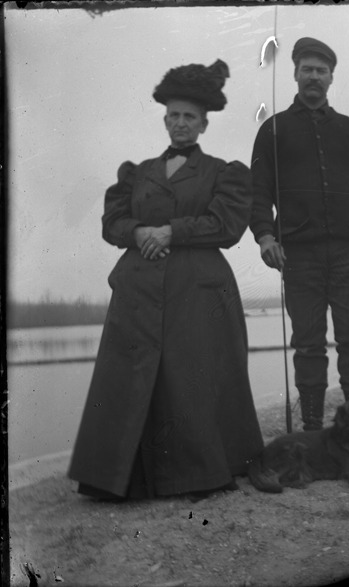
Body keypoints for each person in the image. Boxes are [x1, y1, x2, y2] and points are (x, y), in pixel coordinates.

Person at [68, 59, 264, 500]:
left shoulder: (224, 172)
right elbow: (112, 222)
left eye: (190, 117)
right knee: (132, 378)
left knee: (191, 378)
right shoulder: (137, 173)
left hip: (197, 289)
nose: (181, 123)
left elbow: (227, 225)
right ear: (164, 119)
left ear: (204, 124)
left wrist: (172, 232)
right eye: (174, 115)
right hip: (138, 289)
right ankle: (119, 480)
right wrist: (139, 233)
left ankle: (198, 473)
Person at [250, 37, 349, 431]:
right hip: (298, 255)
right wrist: (265, 237)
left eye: (321, 71)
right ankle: (311, 428)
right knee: (307, 343)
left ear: (331, 78)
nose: (314, 76)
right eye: (307, 69)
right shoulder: (273, 130)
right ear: (295, 74)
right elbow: (258, 192)